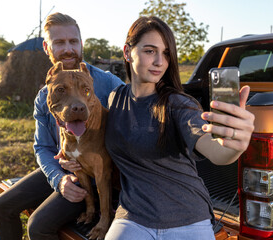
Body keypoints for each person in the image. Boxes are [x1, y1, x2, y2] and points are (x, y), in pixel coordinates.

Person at [103, 16, 255, 240]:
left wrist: (233, 145)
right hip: (133, 217)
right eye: (149, 51)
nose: (160, 62)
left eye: (166, 53)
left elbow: (216, 151)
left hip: (188, 217)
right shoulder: (116, 98)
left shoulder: (178, 104)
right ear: (127, 52)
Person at [0, 12, 124, 240]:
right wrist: (59, 179)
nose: (68, 49)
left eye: (73, 41)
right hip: (66, 169)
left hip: (98, 173)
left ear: (81, 44)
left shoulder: (107, 82)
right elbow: (42, 147)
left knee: (38, 226)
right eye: (59, 42)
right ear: (46, 47)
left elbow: (138, 108)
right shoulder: (44, 96)